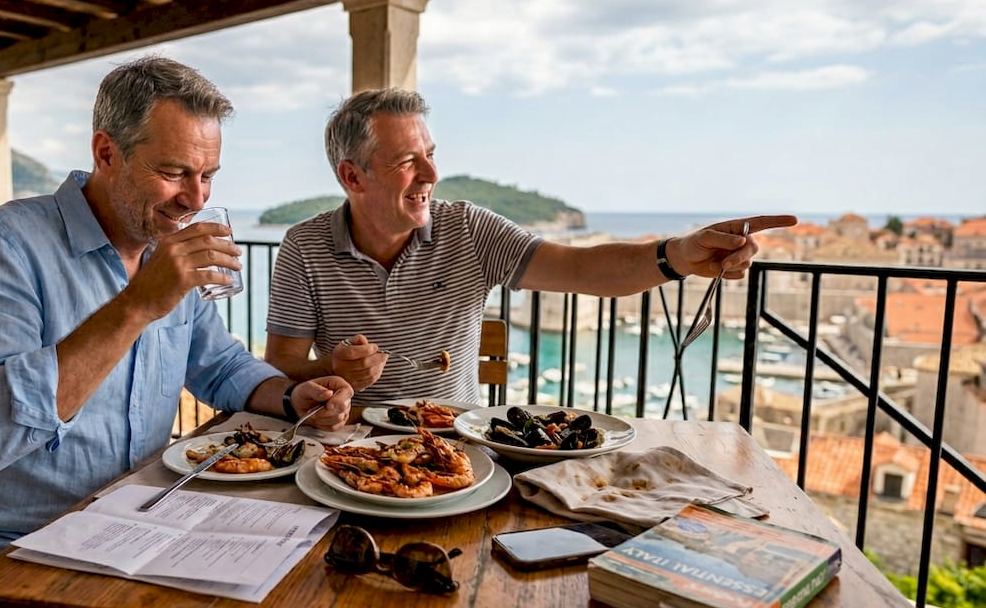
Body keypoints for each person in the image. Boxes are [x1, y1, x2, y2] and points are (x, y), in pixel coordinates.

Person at [0, 56, 353, 608]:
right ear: (106, 152)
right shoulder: (3, 245)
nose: (195, 198)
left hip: (134, 530)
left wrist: (287, 396)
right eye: (174, 172)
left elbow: (220, 365)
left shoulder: (160, 257)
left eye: (208, 176)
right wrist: (138, 306)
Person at [264, 88, 797, 404]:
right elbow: (280, 369)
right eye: (408, 161)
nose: (432, 173)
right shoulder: (303, 247)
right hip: (344, 448)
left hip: (451, 449)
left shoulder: (469, 230)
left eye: (430, 153)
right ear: (353, 177)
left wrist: (678, 255)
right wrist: (331, 370)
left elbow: (583, 271)